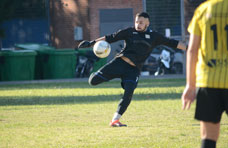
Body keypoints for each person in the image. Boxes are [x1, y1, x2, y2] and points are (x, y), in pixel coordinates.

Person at [79, 12, 187, 127]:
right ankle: (96, 74)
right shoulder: (129, 32)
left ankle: (115, 120)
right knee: (93, 81)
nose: (138, 24)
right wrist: (91, 43)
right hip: (119, 63)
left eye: (141, 22)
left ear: (147, 23)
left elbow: (172, 43)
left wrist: (190, 48)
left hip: (133, 70)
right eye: (136, 22)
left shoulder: (154, 36)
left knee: (129, 93)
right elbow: (110, 38)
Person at [181, 0, 228, 147]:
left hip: (208, 82)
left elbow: (192, 50)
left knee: (208, 138)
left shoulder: (203, 10)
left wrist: (190, 84)